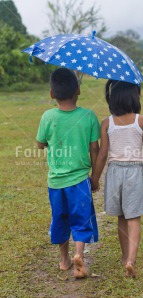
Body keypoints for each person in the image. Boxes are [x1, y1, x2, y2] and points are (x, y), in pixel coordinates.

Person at [91, 80, 143, 278]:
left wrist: (95, 178)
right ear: (135, 97)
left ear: (112, 98)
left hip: (115, 172)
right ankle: (131, 260)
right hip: (135, 171)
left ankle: (124, 255)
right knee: (134, 219)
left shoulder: (107, 122)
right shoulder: (142, 120)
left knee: (122, 218)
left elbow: (102, 155)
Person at [36, 68, 100, 279]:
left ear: (52, 93)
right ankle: (78, 255)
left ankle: (63, 260)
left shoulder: (48, 116)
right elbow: (95, 150)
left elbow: (39, 144)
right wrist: (95, 177)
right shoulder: (89, 116)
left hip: (56, 182)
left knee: (60, 218)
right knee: (81, 219)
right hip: (80, 181)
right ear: (78, 90)